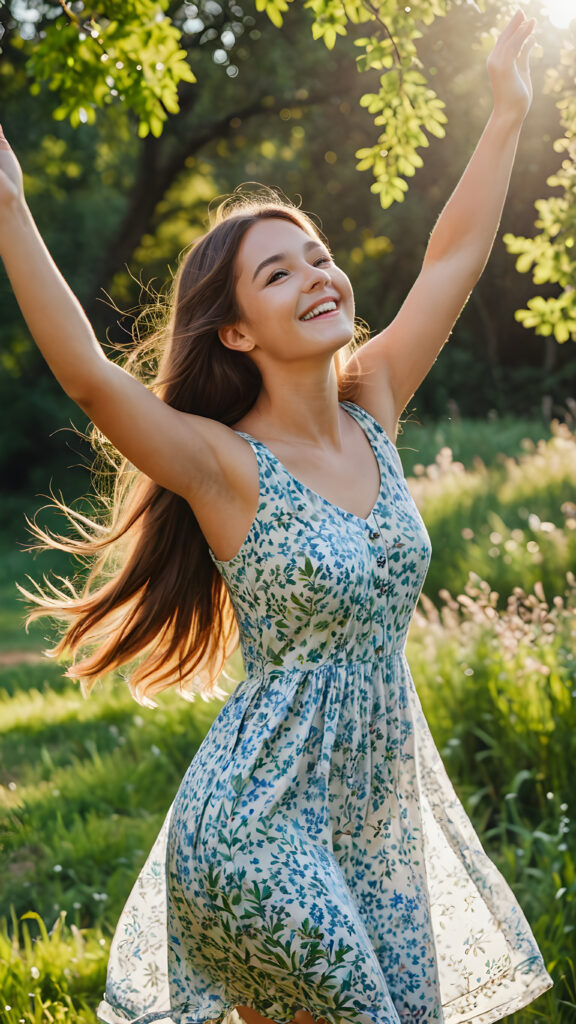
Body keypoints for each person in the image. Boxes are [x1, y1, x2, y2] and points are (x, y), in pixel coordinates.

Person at [0, 8, 553, 1024]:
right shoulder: (221, 466)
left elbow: (453, 261)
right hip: (253, 824)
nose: (318, 274)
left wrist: (506, 110)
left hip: (370, 819)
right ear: (238, 331)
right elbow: (86, 375)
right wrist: (8, 203)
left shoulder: (371, 402)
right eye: (278, 270)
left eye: (319, 254)